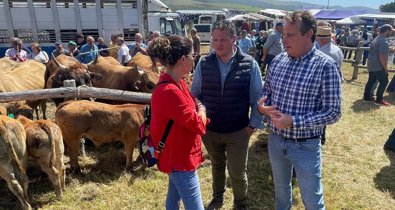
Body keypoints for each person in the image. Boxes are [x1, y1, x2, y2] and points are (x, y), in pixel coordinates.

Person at [258, 11, 342, 210]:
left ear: (308, 34)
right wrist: (262, 107)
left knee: (312, 199)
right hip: (276, 140)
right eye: (283, 34)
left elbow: (333, 112)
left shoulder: (326, 66)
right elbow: (266, 91)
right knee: (280, 188)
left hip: (305, 145)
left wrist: (294, 121)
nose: (284, 39)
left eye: (290, 35)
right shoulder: (278, 61)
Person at [191, 20, 264, 210]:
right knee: (217, 164)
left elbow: (258, 97)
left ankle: (240, 202)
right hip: (211, 129)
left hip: (238, 129)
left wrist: (252, 125)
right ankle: (218, 197)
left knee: (238, 171)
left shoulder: (249, 64)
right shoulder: (204, 62)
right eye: (215, 39)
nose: (218, 44)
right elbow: (195, 94)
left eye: (223, 39)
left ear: (234, 39)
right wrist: (201, 121)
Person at [147, 35, 208, 210]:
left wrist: (198, 109)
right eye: (192, 54)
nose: (194, 58)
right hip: (179, 157)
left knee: (173, 198)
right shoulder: (170, 90)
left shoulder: (177, 83)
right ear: (183, 59)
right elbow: (198, 124)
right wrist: (202, 109)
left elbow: (190, 112)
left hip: (175, 152)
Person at [363, 24, 395, 106]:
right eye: (391, 31)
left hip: (371, 64)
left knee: (371, 81)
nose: (391, 33)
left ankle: (367, 98)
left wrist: (390, 48)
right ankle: (379, 100)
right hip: (378, 65)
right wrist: (385, 68)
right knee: (384, 81)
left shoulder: (376, 38)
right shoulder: (383, 41)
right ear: (387, 31)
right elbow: (382, 56)